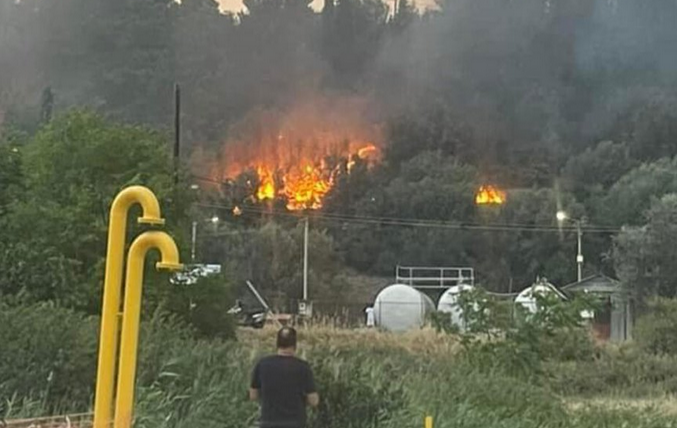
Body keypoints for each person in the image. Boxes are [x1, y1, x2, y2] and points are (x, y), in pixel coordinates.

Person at [250, 327, 319, 428]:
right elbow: (314, 401)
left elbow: (253, 396)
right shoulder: (303, 367)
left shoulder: (262, 364)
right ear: (295, 345)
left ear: (277, 344)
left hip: (268, 422)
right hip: (295, 423)